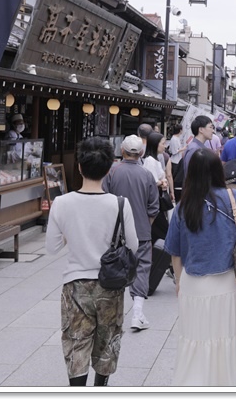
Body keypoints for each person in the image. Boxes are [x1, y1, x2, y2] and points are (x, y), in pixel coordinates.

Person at [163, 149, 236, 385]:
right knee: (230, 336)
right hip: (229, 283)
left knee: (196, 339)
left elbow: (175, 251)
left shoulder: (183, 207)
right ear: (217, 171)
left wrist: (179, 282)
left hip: (193, 286)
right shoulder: (232, 198)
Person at [45, 137, 138, 387]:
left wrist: (71, 232)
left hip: (75, 285)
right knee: (107, 339)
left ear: (79, 167)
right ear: (109, 169)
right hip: (110, 285)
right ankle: (101, 387)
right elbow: (134, 245)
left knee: (76, 341)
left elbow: (51, 248)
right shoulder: (120, 204)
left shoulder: (62, 203)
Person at [102, 135, 160, 331]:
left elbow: (103, 200)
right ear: (141, 153)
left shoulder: (112, 172)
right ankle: (137, 312)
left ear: (123, 151)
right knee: (142, 268)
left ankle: (111, 313)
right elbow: (153, 207)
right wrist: (145, 223)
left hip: (115, 231)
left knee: (113, 268)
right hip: (142, 230)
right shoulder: (146, 175)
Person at [167, 123, 186, 202]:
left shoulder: (176, 138)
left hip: (177, 159)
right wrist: (183, 148)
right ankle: (174, 192)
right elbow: (174, 151)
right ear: (180, 130)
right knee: (176, 177)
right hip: (175, 160)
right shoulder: (174, 139)